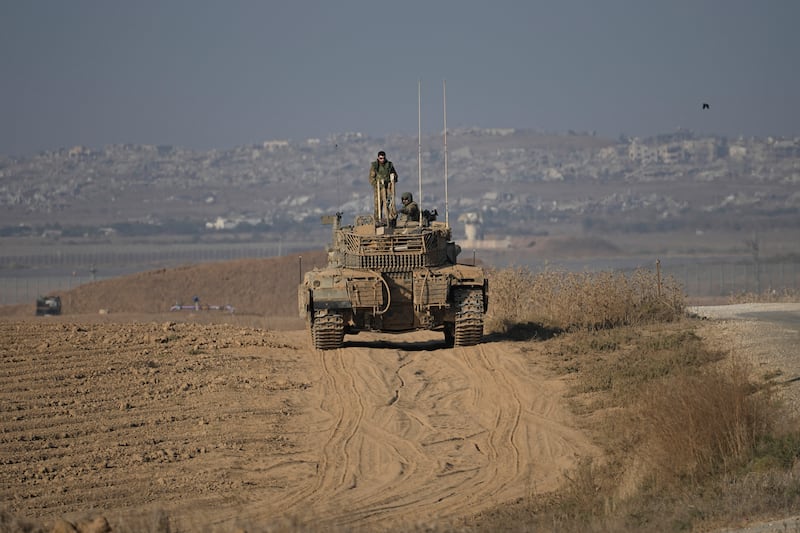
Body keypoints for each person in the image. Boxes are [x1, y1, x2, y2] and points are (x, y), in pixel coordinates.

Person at [369, 151, 397, 220]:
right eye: (381, 158)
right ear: (378, 158)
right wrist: (376, 184)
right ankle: (378, 219)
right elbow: (371, 178)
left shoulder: (389, 165)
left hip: (388, 187)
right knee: (378, 205)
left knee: (389, 203)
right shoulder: (375, 166)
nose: (382, 160)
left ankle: (390, 218)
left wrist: (393, 178)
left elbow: (394, 174)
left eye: (383, 158)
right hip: (379, 188)